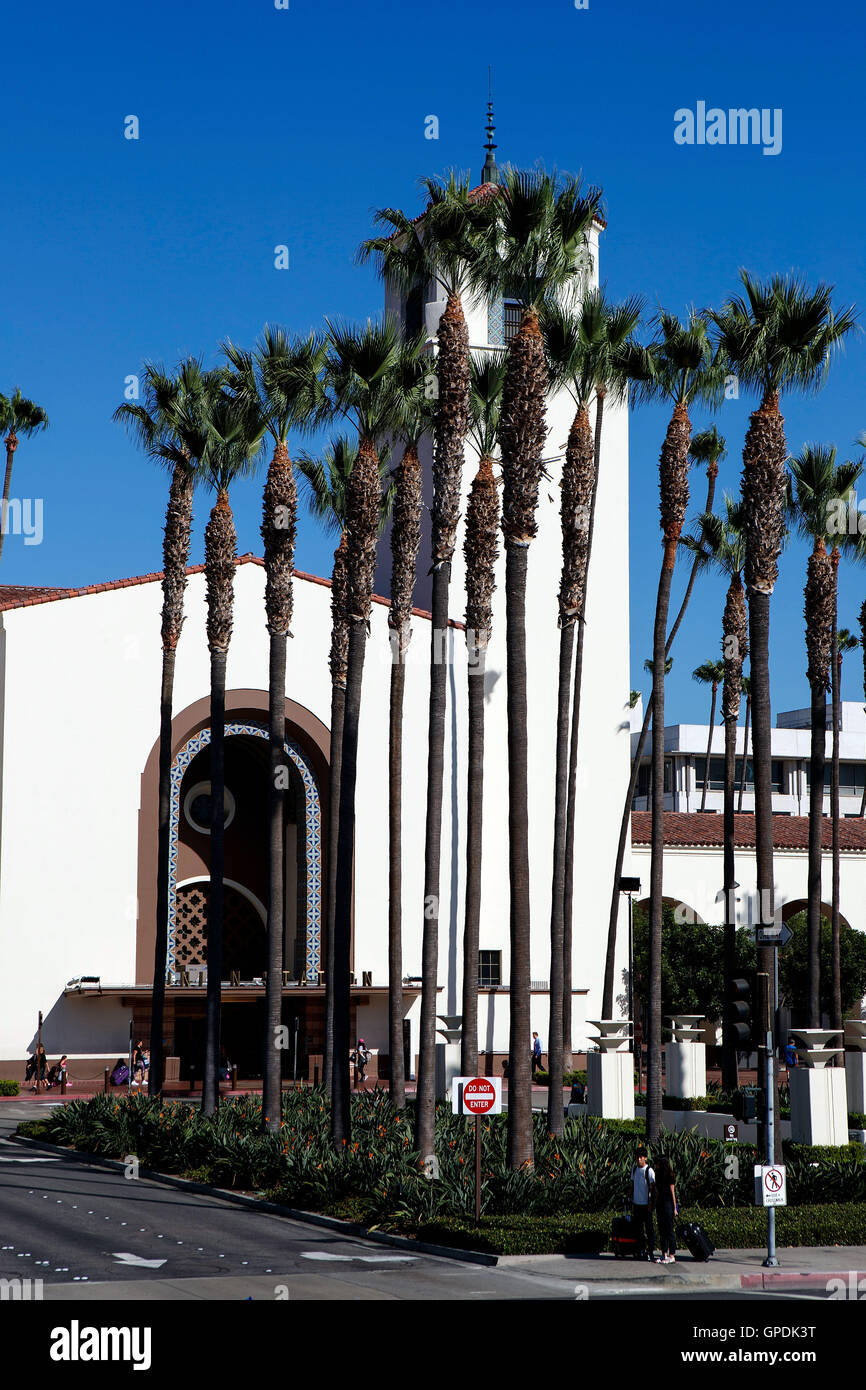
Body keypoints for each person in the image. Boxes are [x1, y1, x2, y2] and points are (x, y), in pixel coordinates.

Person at [627, 1146, 656, 1261]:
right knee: (638, 1230)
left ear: (645, 1158)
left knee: (649, 1230)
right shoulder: (634, 1170)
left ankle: (651, 1251)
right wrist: (629, 1197)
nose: (639, 1159)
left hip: (646, 1206)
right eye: (637, 1157)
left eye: (641, 1157)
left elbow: (653, 1188)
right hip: (636, 1205)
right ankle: (641, 1250)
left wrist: (651, 1204)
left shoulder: (649, 1171)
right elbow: (632, 1185)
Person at [653, 1154, 678, 1264]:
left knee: (669, 1230)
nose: (656, 1165)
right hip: (660, 1203)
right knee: (662, 1230)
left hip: (668, 1203)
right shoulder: (657, 1175)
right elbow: (657, 1192)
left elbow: (672, 1192)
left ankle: (672, 1255)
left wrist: (674, 1207)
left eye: (657, 1163)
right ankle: (664, 1254)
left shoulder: (670, 1175)